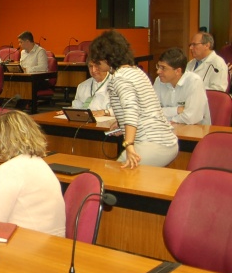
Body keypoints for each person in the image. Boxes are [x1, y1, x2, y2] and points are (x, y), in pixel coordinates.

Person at [0, 111, 65, 236]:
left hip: (26, 243)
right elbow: (12, 214)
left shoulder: (9, 170)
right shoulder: (38, 163)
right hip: (49, 242)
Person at [89, 30, 178, 169]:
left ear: (107, 58)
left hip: (152, 142)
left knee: (114, 176)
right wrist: (121, 122)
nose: (96, 64)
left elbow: (131, 110)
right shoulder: (135, 71)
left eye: (97, 59)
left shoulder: (120, 78)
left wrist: (129, 144)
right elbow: (141, 105)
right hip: (166, 141)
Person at [153, 48, 211, 125]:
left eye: (163, 68)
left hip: (194, 132)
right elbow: (151, 112)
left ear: (178, 71)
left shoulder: (194, 81)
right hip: (166, 131)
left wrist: (167, 119)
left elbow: (191, 118)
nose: (158, 71)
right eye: (158, 66)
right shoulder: (159, 80)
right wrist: (177, 110)